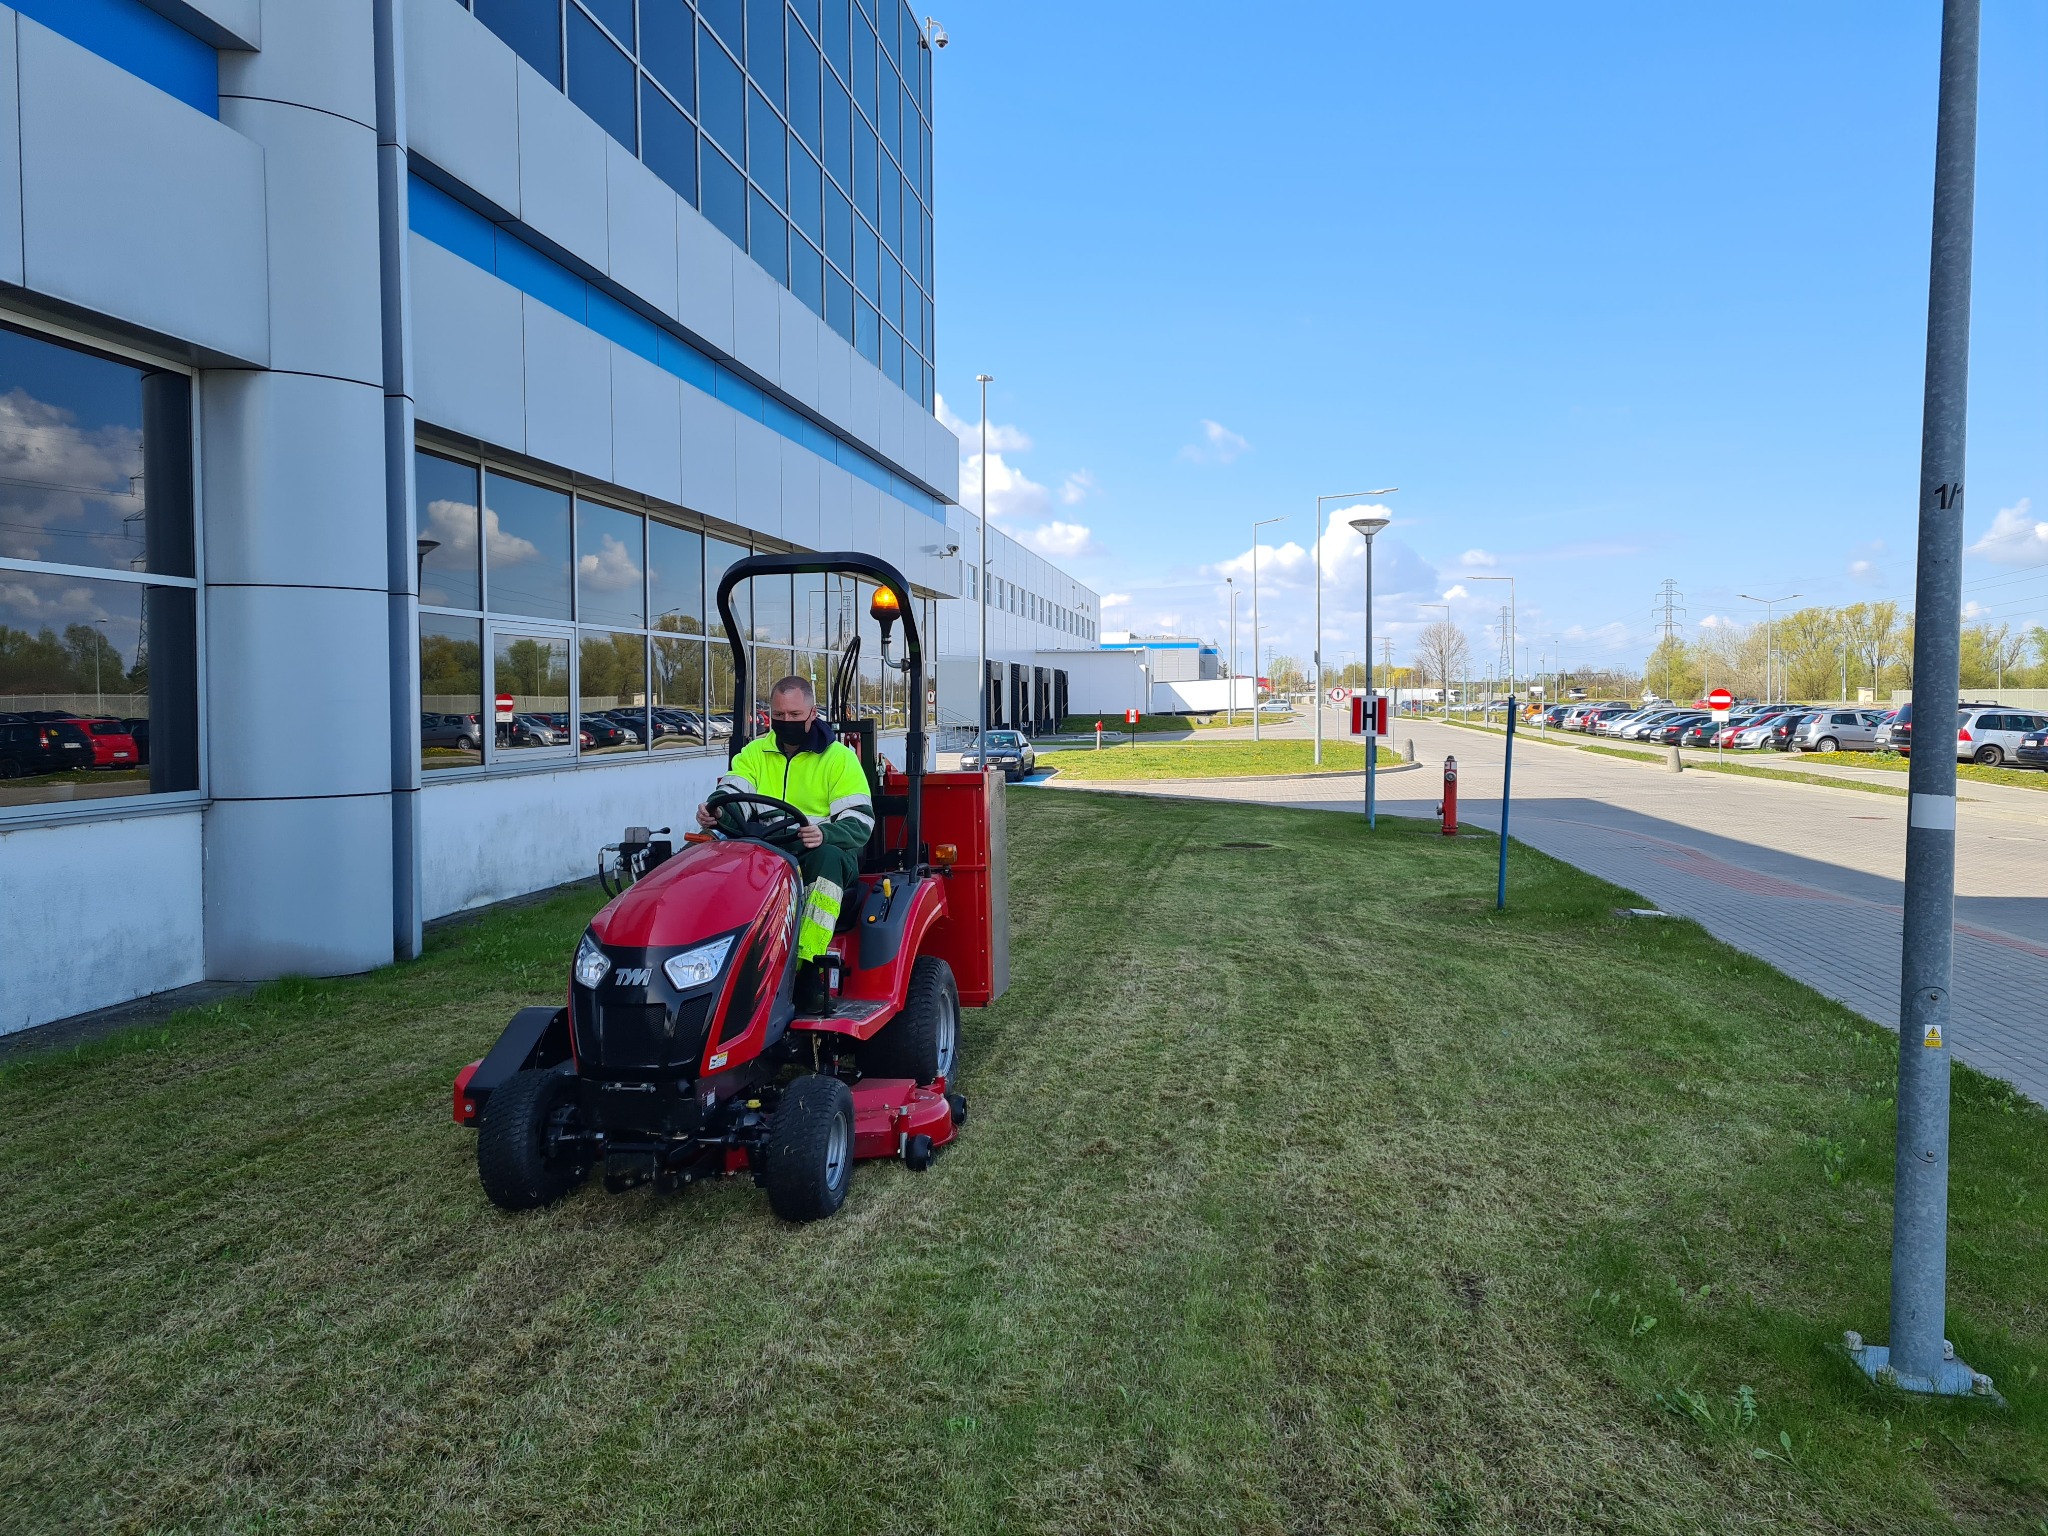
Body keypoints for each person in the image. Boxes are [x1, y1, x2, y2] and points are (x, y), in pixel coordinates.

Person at [696, 675, 873, 1012]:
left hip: (817, 851)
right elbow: (734, 789)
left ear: (812, 714)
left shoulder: (838, 759)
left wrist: (825, 833)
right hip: (765, 845)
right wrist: (716, 809)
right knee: (703, 854)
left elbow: (860, 820)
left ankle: (806, 968)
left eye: (794, 715)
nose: (786, 722)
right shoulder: (755, 752)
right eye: (780, 716)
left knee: (826, 861)